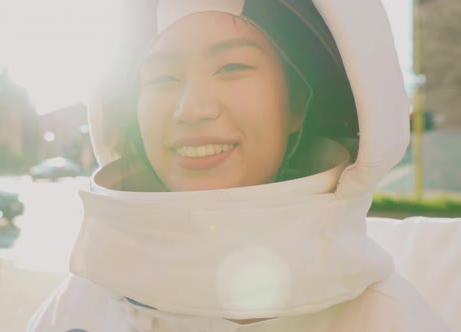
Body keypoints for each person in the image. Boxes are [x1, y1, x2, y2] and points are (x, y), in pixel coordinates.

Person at [28, 0, 451, 331]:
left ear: (297, 107)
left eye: (232, 67)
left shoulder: (382, 317)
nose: (190, 109)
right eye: (162, 78)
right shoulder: (78, 306)